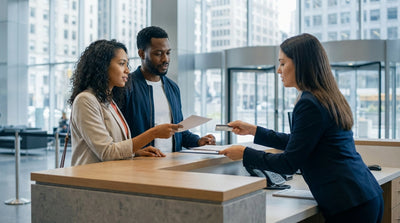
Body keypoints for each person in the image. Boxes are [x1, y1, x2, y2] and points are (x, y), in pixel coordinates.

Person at [220, 34, 383, 222]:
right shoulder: (325, 95)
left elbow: (289, 163)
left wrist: (245, 153)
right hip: (363, 195)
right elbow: (301, 142)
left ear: (301, 64)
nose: (278, 71)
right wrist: (254, 130)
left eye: (282, 63)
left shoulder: (309, 103)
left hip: (349, 202)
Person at [68, 39, 181, 166]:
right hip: (90, 180)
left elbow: (114, 146)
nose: (127, 70)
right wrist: (153, 133)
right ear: (102, 66)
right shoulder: (85, 100)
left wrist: (136, 152)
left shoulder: (108, 101)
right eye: (122, 64)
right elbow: (107, 152)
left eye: (127, 64)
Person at [120, 26, 215, 153]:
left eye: (168, 53)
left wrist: (198, 141)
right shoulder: (126, 86)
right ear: (142, 54)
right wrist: (136, 152)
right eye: (158, 54)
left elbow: (179, 130)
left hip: (171, 165)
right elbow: (117, 136)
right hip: (139, 166)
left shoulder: (172, 87)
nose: (165, 59)